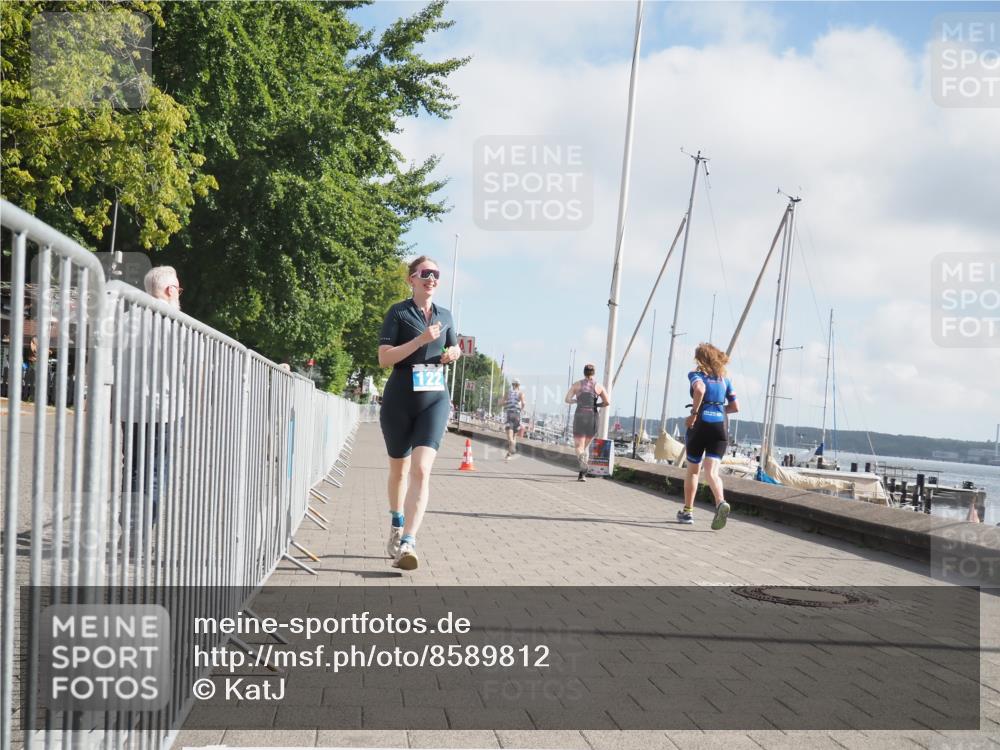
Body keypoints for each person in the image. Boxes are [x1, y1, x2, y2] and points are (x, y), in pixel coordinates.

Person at [377, 255, 461, 571]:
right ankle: (397, 522)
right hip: (400, 396)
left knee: (422, 470)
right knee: (399, 470)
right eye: (426, 273)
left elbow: (452, 348)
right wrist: (421, 340)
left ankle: (409, 542)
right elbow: (385, 359)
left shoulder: (446, 315)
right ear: (412, 278)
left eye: (437, 274)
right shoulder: (398, 312)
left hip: (434, 398)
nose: (432, 278)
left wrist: (453, 353)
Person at [118, 266, 183, 538]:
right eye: (179, 290)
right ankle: (140, 532)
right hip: (163, 409)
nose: (180, 294)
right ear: (169, 291)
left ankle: (130, 527)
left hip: (130, 407)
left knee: (132, 469)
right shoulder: (174, 322)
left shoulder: (126, 320)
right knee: (154, 472)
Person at [679, 343, 739, 528]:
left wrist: (694, 414)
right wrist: (718, 410)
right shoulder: (725, 379)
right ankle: (720, 502)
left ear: (700, 359)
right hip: (719, 428)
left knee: (693, 471)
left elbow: (699, 390)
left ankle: (688, 512)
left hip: (700, 426)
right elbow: (735, 407)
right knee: (712, 472)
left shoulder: (696, 375)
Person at [564, 364, 610, 482]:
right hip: (592, 417)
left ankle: (582, 463)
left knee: (579, 447)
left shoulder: (577, 385)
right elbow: (607, 402)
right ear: (593, 373)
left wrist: (576, 401)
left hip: (580, 416)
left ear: (584, 372)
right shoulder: (599, 386)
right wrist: (596, 405)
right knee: (586, 447)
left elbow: (567, 399)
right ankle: (582, 475)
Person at [503, 378, 526, 460]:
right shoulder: (521, 393)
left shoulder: (508, 393)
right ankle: (509, 454)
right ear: (519, 385)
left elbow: (502, 402)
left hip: (509, 414)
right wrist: (521, 409)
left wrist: (505, 403)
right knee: (514, 436)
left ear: (512, 385)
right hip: (517, 415)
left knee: (510, 436)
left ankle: (512, 449)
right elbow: (523, 403)